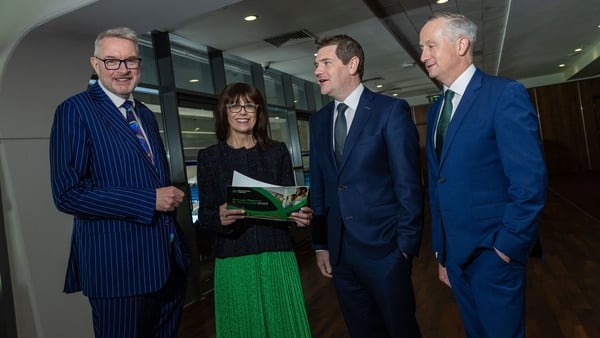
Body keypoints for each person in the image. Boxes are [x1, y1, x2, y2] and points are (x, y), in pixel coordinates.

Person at [49, 27, 190, 337]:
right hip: (118, 270)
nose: (123, 70)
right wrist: (148, 200)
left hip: (167, 265)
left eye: (131, 61)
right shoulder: (74, 111)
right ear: (95, 64)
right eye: (112, 61)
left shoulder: (145, 114)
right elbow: (68, 194)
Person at [419, 12, 548, 338]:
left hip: (494, 255)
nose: (423, 56)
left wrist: (506, 248)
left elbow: (529, 182)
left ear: (461, 45)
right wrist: (442, 252)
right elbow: (438, 182)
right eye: (422, 48)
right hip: (455, 258)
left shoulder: (504, 95)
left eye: (430, 46)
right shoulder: (436, 110)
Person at [310, 34, 424, 337]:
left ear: (352, 64)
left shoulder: (390, 111)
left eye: (325, 62)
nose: (317, 70)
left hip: (385, 250)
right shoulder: (318, 122)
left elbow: (409, 185)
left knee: (400, 329)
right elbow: (319, 186)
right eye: (316, 64)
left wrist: (404, 249)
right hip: (339, 253)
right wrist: (321, 243)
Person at [196, 82, 313, 338]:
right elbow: (204, 216)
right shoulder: (209, 157)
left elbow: (288, 204)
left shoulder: (277, 152)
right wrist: (218, 216)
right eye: (234, 105)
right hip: (234, 258)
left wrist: (300, 216)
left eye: (249, 105)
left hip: (277, 255)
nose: (242, 111)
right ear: (223, 111)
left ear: (258, 111)